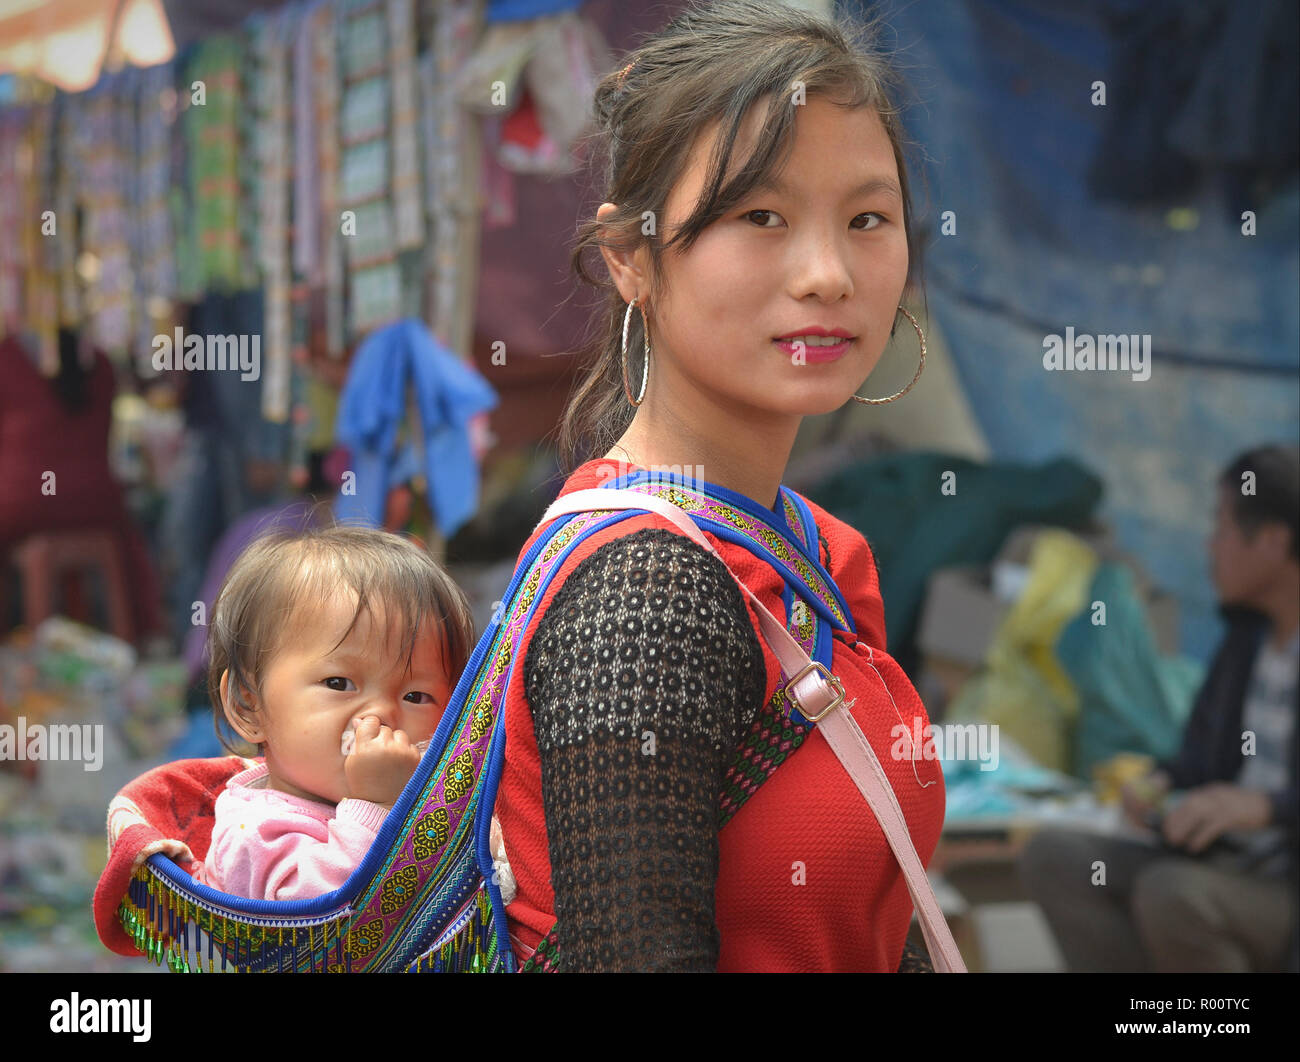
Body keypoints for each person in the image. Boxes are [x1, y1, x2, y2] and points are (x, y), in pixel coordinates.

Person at [492, 0, 947, 972]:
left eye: (866, 218)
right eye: (759, 216)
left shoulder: (814, 551)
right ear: (629, 257)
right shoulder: (645, 595)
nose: (827, 273)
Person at [1021, 445, 1300, 972]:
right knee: (1055, 857)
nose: (1210, 546)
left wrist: (1267, 807)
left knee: (1173, 894)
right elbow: (1200, 758)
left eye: (1221, 527)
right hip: (1226, 861)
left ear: (1272, 542)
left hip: (1280, 887)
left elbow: (1260, 802)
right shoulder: (1248, 638)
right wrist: (1160, 782)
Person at [192, 525, 475, 901]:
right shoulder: (254, 833)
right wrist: (375, 805)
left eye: (416, 695)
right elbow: (328, 925)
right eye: (339, 684)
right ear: (249, 706)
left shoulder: (433, 791)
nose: (381, 715)